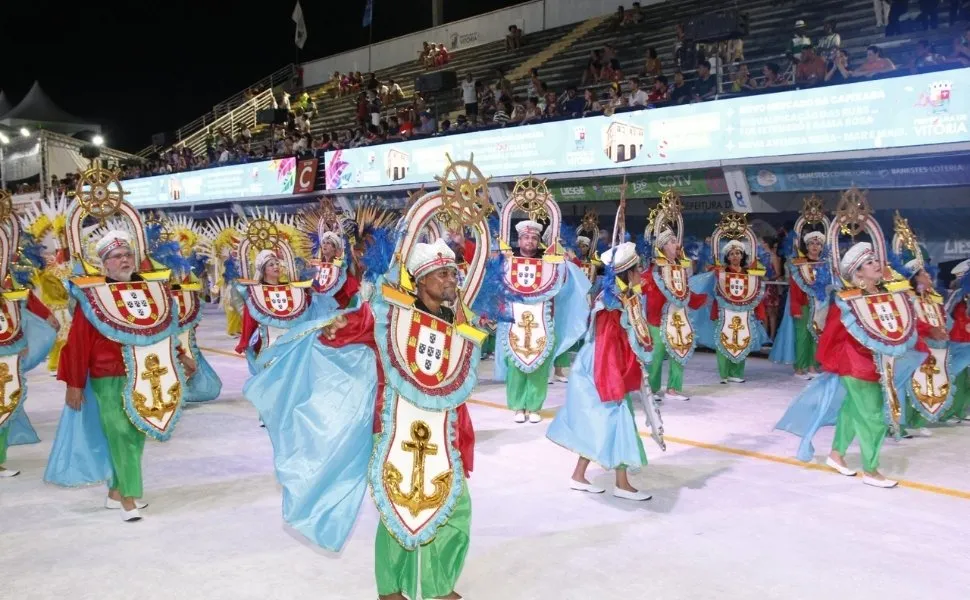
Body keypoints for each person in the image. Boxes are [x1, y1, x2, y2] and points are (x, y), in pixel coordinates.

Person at [245, 236, 483, 600]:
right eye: (442, 273)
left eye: (453, 272)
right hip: (393, 429)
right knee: (395, 512)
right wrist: (334, 326)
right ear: (420, 280)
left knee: (455, 508)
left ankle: (438, 586)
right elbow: (345, 331)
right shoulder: (387, 315)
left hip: (444, 430)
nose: (452, 279)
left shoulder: (459, 321)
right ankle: (390, 590)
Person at [47, 230, 196, 520]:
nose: (125, 259)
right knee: (119, 431)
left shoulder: (151, 290)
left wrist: (181, 356)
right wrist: (74, 383)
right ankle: (129, 498)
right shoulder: (93, 295)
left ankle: (116, 491)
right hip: (107, 375)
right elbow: (77, 342)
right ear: (105, 263)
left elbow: (161, 329)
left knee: (137, 432)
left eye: (128, 254)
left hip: (144, 369)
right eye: (117, 256)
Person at [776, 239, 922, 489]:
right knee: (874, 417)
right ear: (857, 273)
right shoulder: (848, 300)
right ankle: (871, 470)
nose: (877, 264)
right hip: (857, 366)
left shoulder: (886, 294)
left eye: (876, 260)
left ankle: (836, 454)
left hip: (873, 364)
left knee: (852, 411)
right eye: (869, 262)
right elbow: (833, 333)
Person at [547, 241, 657, 501]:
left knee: (601, 422)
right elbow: (607, 343)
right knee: (614, 421)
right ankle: (621, 483)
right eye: (638, 268)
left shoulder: (620, 297)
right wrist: (613, 381)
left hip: (602, 366)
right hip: (601, 368)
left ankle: (581, 476)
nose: (641, 272)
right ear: (628, 273)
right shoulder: (611, 303)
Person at [496, 219, 590, 423]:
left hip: (543, 320)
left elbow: (567, 278)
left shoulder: (551, 262)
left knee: (540, 363)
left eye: (534, 238)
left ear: (539, 241)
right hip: (514, 320)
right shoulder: (506, 260)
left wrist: (564, 257)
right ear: (519, 239)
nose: (529, 241)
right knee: (515, 363)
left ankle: (534, 406)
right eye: (526, 237)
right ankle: (518, 406)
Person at [0, 225, 57, 478]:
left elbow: (22, 301)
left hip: (7, 344)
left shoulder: (8, 276)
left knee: (5, 399)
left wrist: (18, 341)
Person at [691, 237, 769, 384]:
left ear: (742, 255)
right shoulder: (720, 273)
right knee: (723, 342)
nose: (735, 256)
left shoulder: (750, 273)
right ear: (727, 256)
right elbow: (713, 292)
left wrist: (760, 312)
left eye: (738, 253)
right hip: (723, 312)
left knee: (742, 341)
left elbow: (755, 294)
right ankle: (724, 374)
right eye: (732, 253)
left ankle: (737, 373)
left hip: (744, 313)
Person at [642, 226, 707, 401]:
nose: (677, 244)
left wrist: (699, 299)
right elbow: (643, 286)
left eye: (676, 241)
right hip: (657, 318)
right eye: (672, 242)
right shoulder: (655, 268)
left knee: (680, 349)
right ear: (663, 246)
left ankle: (673, 388)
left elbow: (684, 291)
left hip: (678, 316)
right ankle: (651, 390)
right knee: (655, 356)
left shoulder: (680, 267)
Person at [771, 217, 831, 379]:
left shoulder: (826, 264)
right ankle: (800, 368)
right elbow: (795, 288)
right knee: (802, 337)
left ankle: (812, 366)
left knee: (816, 336)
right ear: (807, 246)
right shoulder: (799, 264)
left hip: (821, 305)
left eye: (818, 244)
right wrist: (795, 307)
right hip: (804, 305)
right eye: (811, 244)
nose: (815, 247)